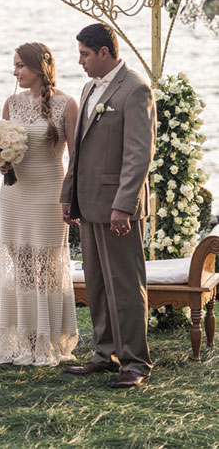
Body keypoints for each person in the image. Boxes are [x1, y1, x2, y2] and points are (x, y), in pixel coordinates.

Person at [61, 23, 156, 388]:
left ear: (104, 53)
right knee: (98, 284)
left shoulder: (135, 90)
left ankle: (135, 363)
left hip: (118, 208)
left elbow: (138, 154)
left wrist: (124, 205)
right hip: (88, 204)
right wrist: (68, 197)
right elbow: (79, 152)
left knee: (125, 285)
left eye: (85, 54)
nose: (80, 61)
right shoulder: (88, 89)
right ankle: (105, 353)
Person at [0, 42, 80, 366]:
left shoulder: (67, 104)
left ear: (39, 67)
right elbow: (2, 147)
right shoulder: (11, 103)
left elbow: (77, 157)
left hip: (49, 194)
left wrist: (71, 198)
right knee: (21, 265)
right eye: (15, 65)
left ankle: (48, 341)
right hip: (15, 195)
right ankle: (25, 339)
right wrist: (1, 163)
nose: (15, 72)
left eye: (21, 65)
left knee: (49, 268)